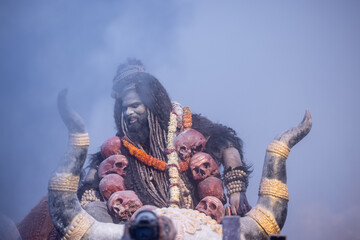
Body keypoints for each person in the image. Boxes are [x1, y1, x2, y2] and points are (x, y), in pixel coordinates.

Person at [79, 59, 252, 216]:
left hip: (201, 226)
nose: (128, 112)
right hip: (142, 231)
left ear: (151, 105)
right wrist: (88, 204)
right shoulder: (119, 148)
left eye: (135, 105)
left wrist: (236, 189)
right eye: (124, 108)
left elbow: (227, 145)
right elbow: (92, 181)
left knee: (236, 226)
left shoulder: (187, 126)